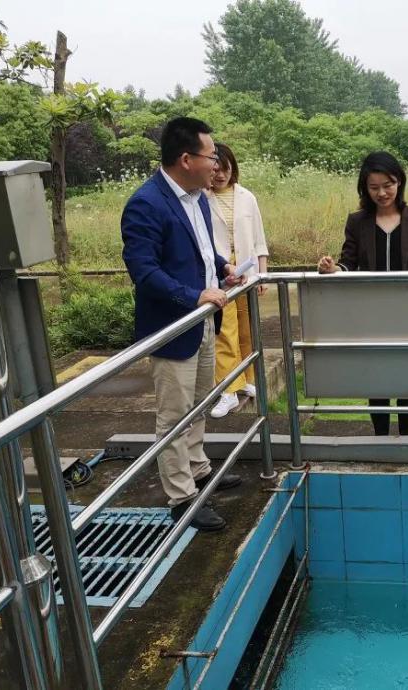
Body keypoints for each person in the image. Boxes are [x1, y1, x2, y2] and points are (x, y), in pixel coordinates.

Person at [122, 117, 243, 531]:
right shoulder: (146, 203)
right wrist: (192, 295)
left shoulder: (198, 199)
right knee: (174, 415)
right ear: (186, 159)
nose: (216, 164)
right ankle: (182, 497)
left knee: (201, 403)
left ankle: (198, 468)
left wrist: (224, 268)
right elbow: (144, 271)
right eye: (211, 156)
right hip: (174, 326)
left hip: (204, 319)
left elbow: (201, 251)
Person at [317, 151, 408, 436]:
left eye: (388, 185)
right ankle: (380, 437)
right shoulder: (357, 221)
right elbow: (348, 263)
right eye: (374, 187)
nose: (382, 193)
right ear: (365, 188)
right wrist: (333, 269)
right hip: (369, 315)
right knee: (376, 378)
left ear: (399, 182)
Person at [207, 143, 270, 419]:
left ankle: (246, 378)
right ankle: (228, 390)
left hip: (247, 270)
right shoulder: (202, 198)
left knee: (247, 329)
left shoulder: (247, 197)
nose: (221, 175)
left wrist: (262, 274)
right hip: (221, 274)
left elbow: (259, 239)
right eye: (216, 170)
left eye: (226, 169)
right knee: (225, 331)